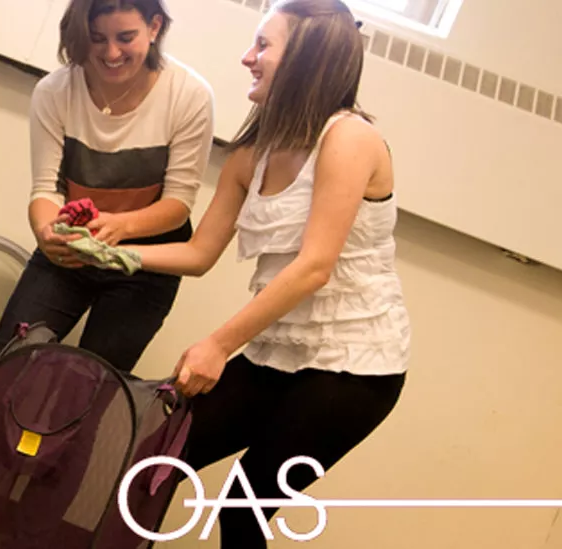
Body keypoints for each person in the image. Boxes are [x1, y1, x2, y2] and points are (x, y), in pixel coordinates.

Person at [0, 0, 215, 538]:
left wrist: (117, 230)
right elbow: (45, 191)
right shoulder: (55, 91)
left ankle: (27, 533)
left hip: (146, 265)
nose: (111, 53)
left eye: (126, 37)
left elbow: (179, 203)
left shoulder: (188, 94)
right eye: (97, 39)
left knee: (92, 405)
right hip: (67, 254)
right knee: (5, 377)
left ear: (155, 27)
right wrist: (48, 233)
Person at [118, 0, 409, 545]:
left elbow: (314, 267)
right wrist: (113, 250)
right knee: (154, 458)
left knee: (242, 507)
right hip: (279, 352)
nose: (247, 57)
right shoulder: (252, 156)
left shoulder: (349, 140)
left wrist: (217, 345)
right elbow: (201, 252)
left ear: (306, 58)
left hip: (354, 368)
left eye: (263, 46)